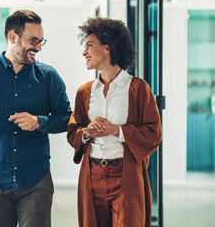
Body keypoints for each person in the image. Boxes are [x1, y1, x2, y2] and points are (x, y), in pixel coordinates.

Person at [0, 10, 72, 227]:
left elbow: (68, 118)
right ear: (12, 37)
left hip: (36, 181)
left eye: (41, 41)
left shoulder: (48, 77)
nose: (38, 47)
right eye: (33, 40)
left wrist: (40, 122)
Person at [67, 17, 162, 227]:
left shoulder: (138, 89)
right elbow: (73, 131)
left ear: (108, 47)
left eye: (89, 45)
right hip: (92, 176)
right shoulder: (84, 92)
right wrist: (87, 132)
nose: (85, 52)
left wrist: (116, 130)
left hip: (125, 176)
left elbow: (154, 133)